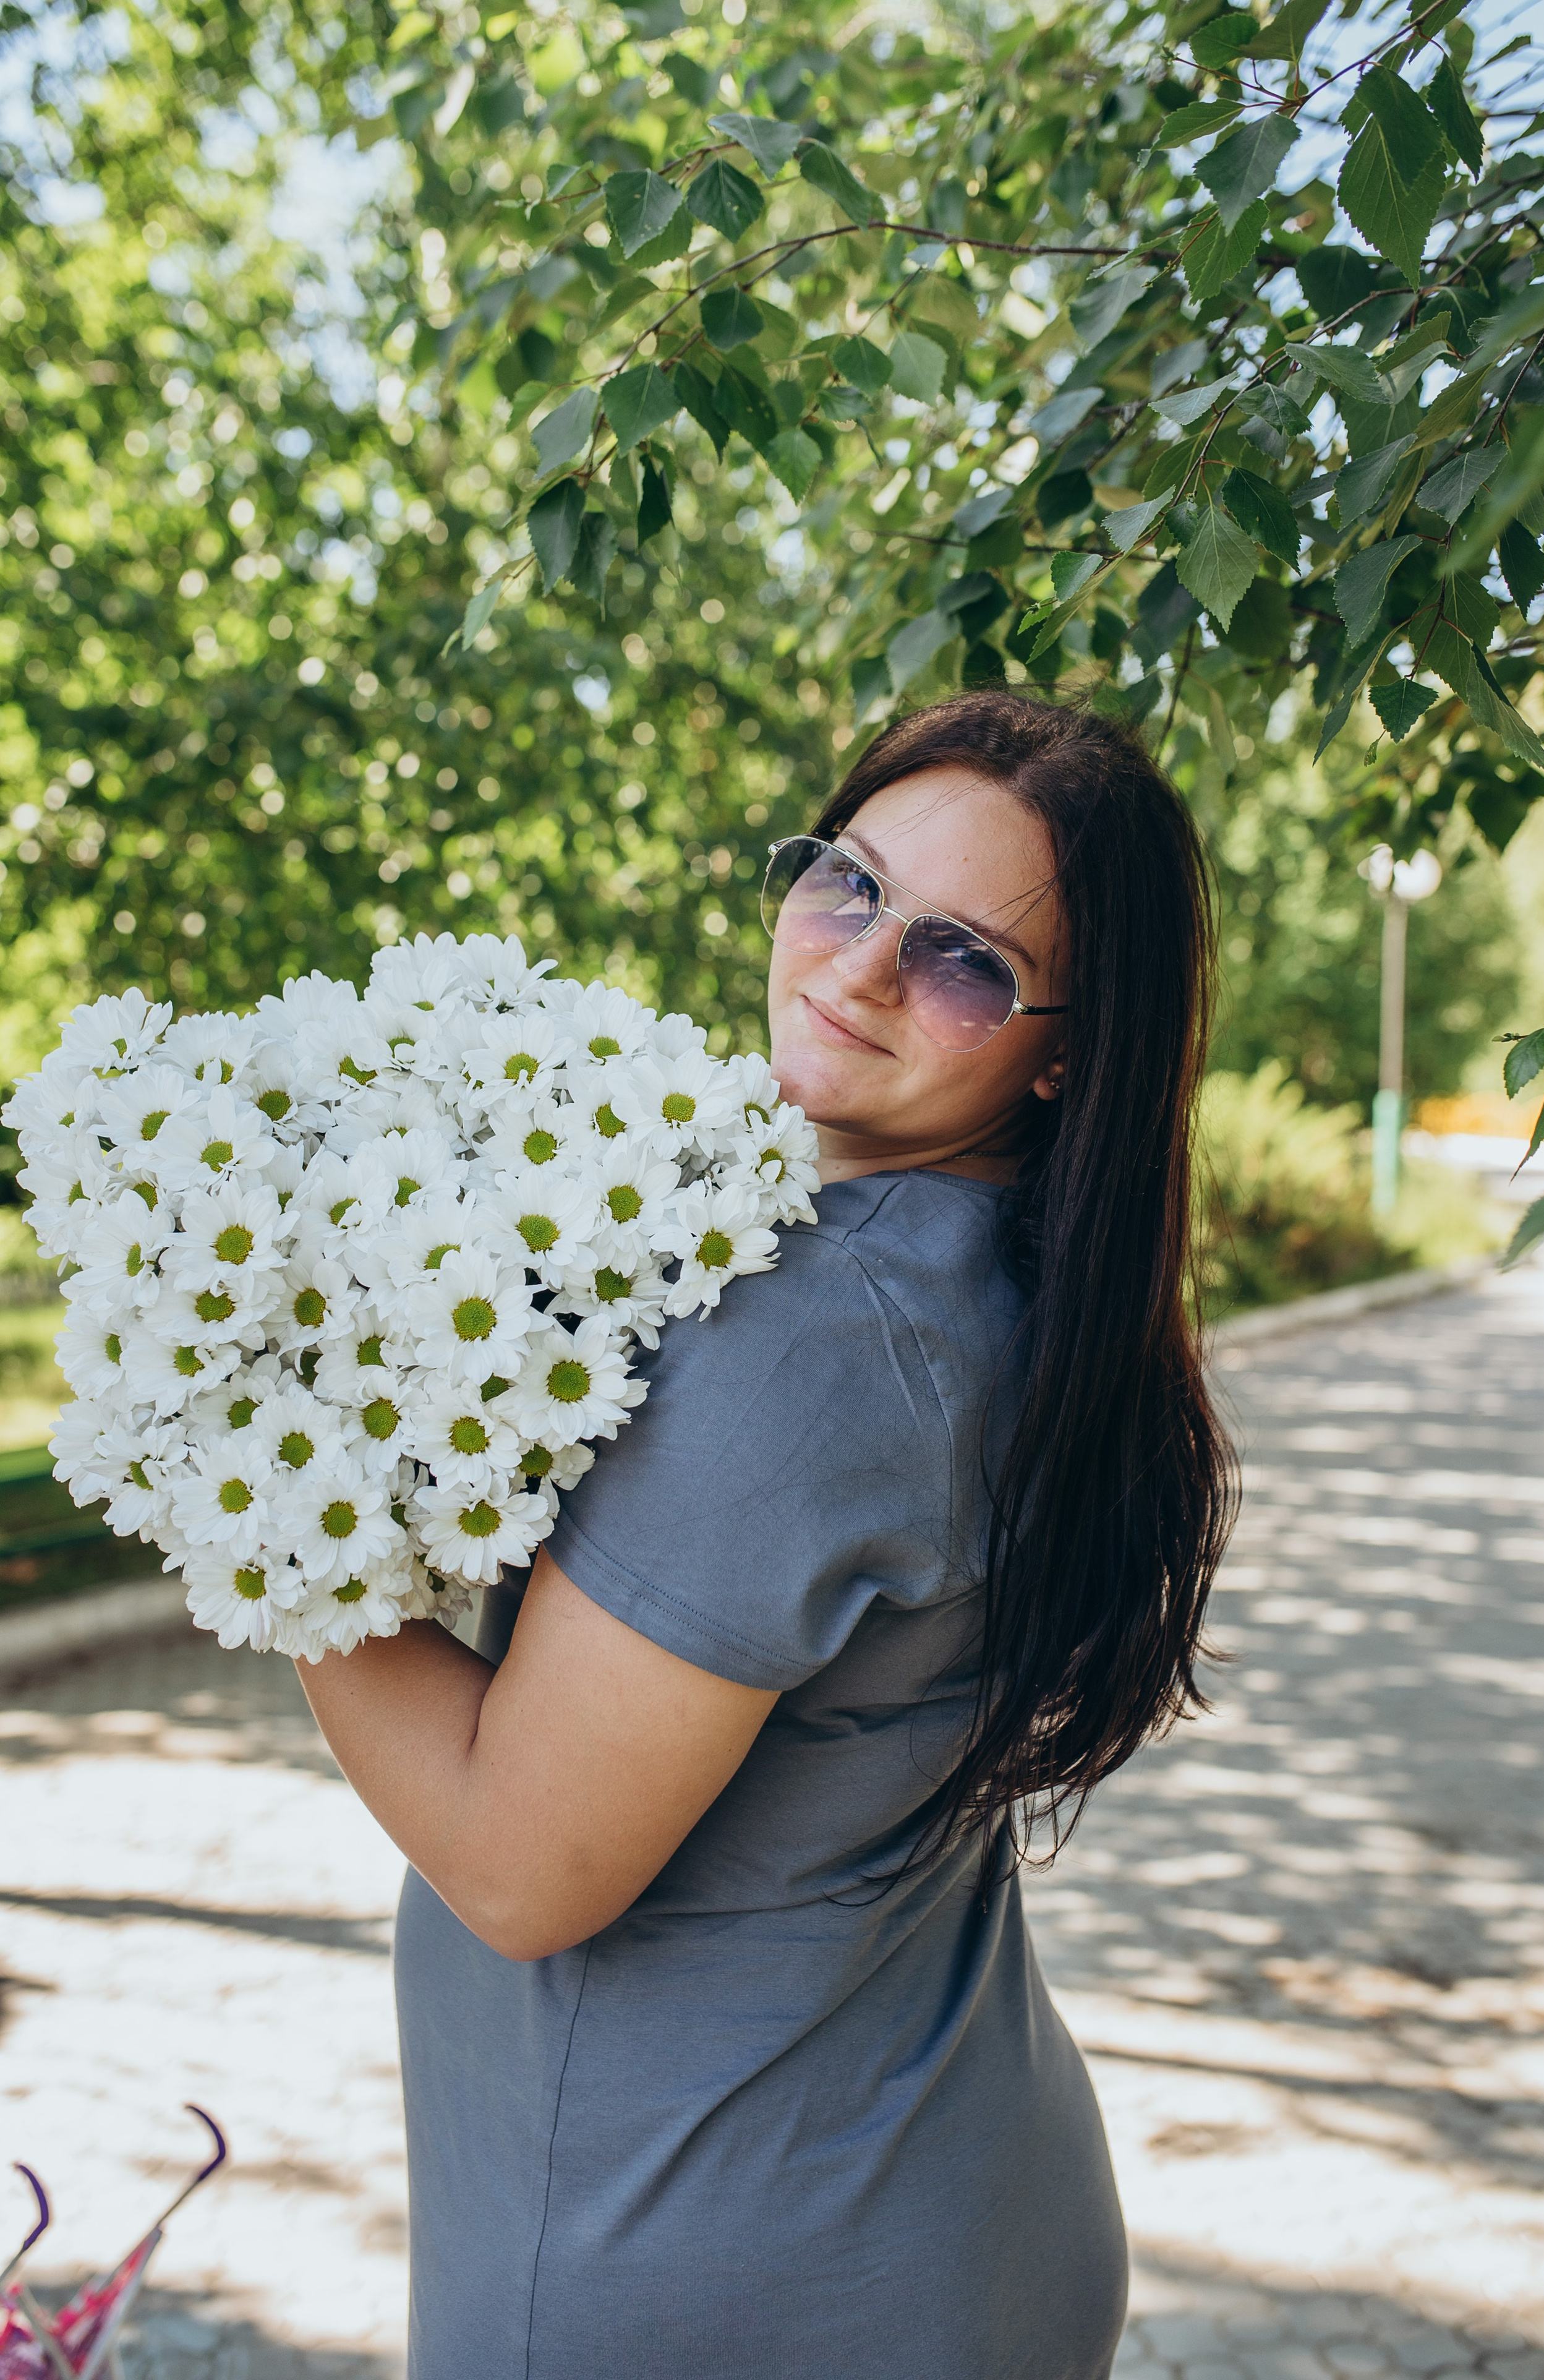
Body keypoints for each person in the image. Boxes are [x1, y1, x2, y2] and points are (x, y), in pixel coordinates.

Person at [296, 688, 1238, 2380]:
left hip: (706, 2261)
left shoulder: (813, 1341)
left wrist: (276, 1464)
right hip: (939, 2209)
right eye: (847, 882)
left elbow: (518, 1864)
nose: (861, 965)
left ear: (1064, 1045)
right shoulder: (1005, 1282)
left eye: (965, 958)